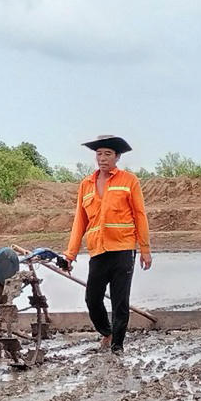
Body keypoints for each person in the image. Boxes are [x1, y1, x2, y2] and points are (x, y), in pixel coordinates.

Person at [62, 135, 152, 355]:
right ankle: (107, 332)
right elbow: (80, 221)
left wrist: (145, 249)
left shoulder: (129, 181)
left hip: (123, 249)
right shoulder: (86, 184)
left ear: (117, 157)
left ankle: (117, 346)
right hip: (98, 250)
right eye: (99, 154)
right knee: (92, 299)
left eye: (108, 154)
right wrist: (70, 255)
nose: (102, 158)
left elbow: (140, 215)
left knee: (120, 302)